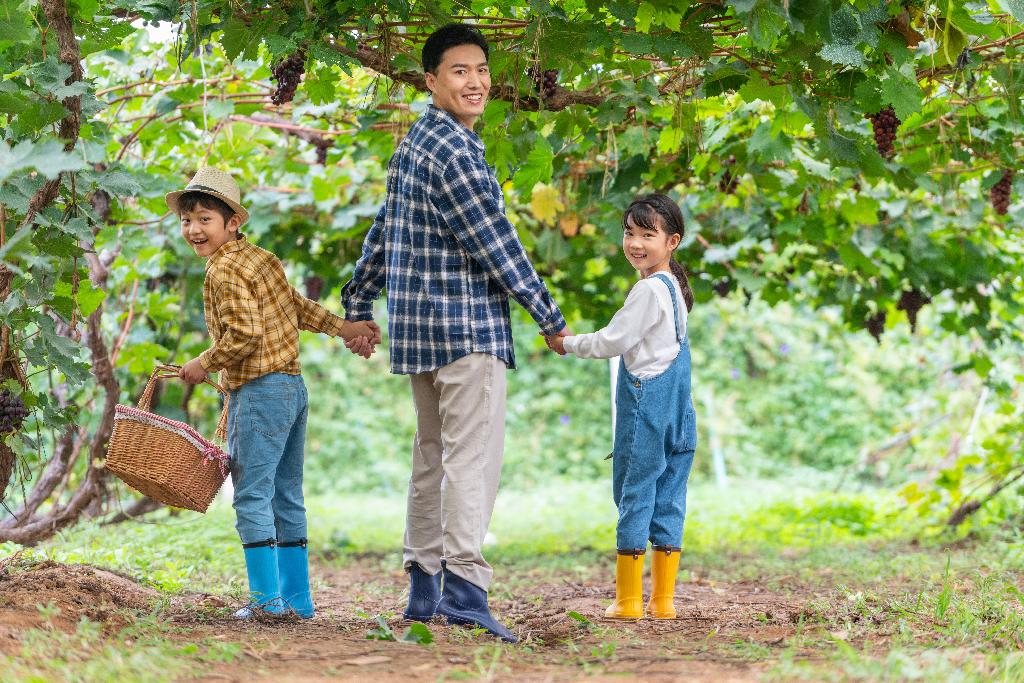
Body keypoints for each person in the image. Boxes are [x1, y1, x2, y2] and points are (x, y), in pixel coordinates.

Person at [340, 23, 568, 642]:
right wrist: (549, 317)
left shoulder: (415, 143)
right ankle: (465, 589)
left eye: (483, 70)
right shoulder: (457, 154)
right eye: (460, 71)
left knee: (432, 460)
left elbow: (382, 232)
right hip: (467, 331)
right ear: (432, 80)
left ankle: (423, 586)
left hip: (419, 335)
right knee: (469, 462)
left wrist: (358, 300)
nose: (476, 82)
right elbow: (497, 244)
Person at [170, 167, 378, 619]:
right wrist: (344, 328)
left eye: (205, 219)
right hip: (291, 389)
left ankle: (266, 601)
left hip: (260, 391)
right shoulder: (262, 259)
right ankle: (297, 601)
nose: (194, 230)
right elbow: (295, 306)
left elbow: (244, 335)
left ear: (232, 223)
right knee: (286, 493)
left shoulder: (223, 271)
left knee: (252, 494)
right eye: (187, 221)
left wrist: (201, 363)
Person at [547, 194, 697, 620]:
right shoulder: (675, 289)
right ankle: (663, 601)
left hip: (647, 412)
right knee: (669, 497)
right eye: (630, 233)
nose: (635, 243)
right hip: (680, 414)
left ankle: (629, 601)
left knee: (634, 494)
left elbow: (613, 340)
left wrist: (567, 343)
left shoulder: (649, 289)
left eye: (648, 235)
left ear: (672, 241)